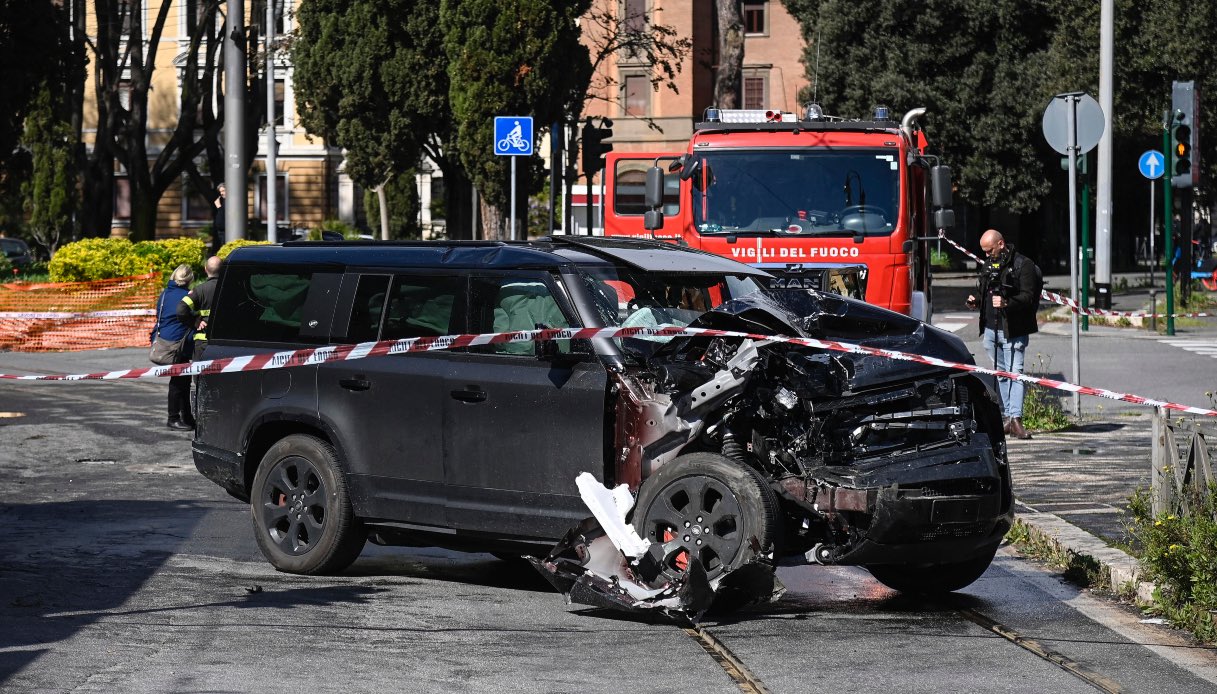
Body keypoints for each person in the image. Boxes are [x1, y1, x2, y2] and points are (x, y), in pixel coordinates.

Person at [966, 229, 1039, 440]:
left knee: (1015, 373)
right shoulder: (989, 264)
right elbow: (984, 291)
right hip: (990, 329)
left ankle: (1016, 419)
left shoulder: (1023, 265)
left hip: (1013, 329)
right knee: (1001, 374)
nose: (987, 255)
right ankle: (1007, 417)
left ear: (1000, 244)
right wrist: (975, 301)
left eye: (989, 250)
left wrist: (1008, 303)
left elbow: (1028, 296)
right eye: (984, 252)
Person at [153, 264, 195, 430]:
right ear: (189, 279)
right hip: (178, 344)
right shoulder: (187, 296)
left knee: (182, 380)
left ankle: (187, 417)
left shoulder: (164, 294)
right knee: (179, 382)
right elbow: (190, 315)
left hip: (166, 340)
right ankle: (173, 418)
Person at [178, 255, 222, 358]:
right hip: (224, 344)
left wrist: (194, 321)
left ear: (206, 269)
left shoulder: (199, 290)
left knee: (201, 373)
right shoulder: (231, 290)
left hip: (203, 345)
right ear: (223, 269)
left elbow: (181, 310)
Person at [211, 183, 226, 257]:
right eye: (220, 192)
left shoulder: (228, 202)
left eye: (223, 191)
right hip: (221, 232)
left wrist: (219, 207)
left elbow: (223, 215)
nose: (222, 193)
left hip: (225, 232)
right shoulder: (224, 201)